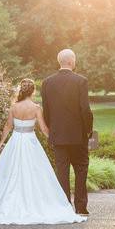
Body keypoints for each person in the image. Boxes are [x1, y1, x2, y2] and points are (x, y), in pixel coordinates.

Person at [0, 78, 87, 225]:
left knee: (11, 171)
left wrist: (1, 143)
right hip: (31, 142)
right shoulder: (36, 108)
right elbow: (43, 129)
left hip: (15, 141)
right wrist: (53, 139)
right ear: (32, 91)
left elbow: (8, 126)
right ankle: (32, 201)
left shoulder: (14, 107)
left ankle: (10, 200)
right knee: (34, 171)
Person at [41, 49, 93, 215]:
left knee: (62, 171)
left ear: (60, 62)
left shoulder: (47, 82)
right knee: (81, 169)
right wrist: (88, 130)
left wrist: (52, 129)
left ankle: (63, 207)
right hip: (78, 136)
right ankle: (80, 207)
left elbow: (46, 111)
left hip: (58, 135)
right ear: (71, 61)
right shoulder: (81, 81)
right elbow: (85, 109)